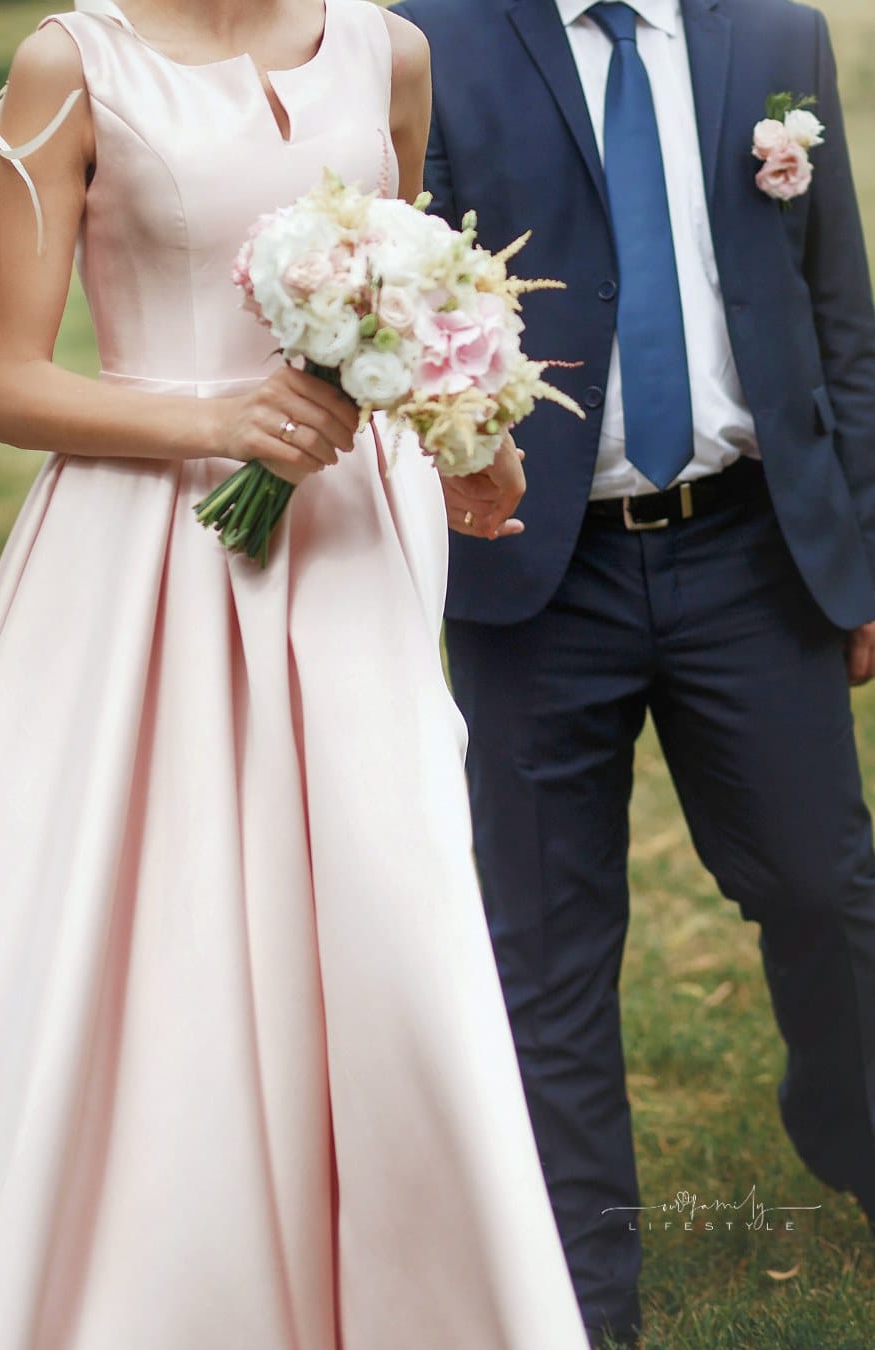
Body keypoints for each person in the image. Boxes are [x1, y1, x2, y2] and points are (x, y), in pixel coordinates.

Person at [0, 1, 590, 1345]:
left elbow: (402, 299)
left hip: (354, 551)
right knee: (170, 920)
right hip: (148, 554)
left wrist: (465, 425)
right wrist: (215, 415)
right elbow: (6, 382)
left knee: (393, 908)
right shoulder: (71, 64)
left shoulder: (389, 51)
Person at [393, 0, 875, 1343]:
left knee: (826, 886)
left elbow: (840, 308)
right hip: (535, 571)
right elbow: (399, 308)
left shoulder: (775, 35)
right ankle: (585, 1290)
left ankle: (853, 1129)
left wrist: (867, 546)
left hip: (752, 548)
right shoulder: (431, 42)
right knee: (546, 942)